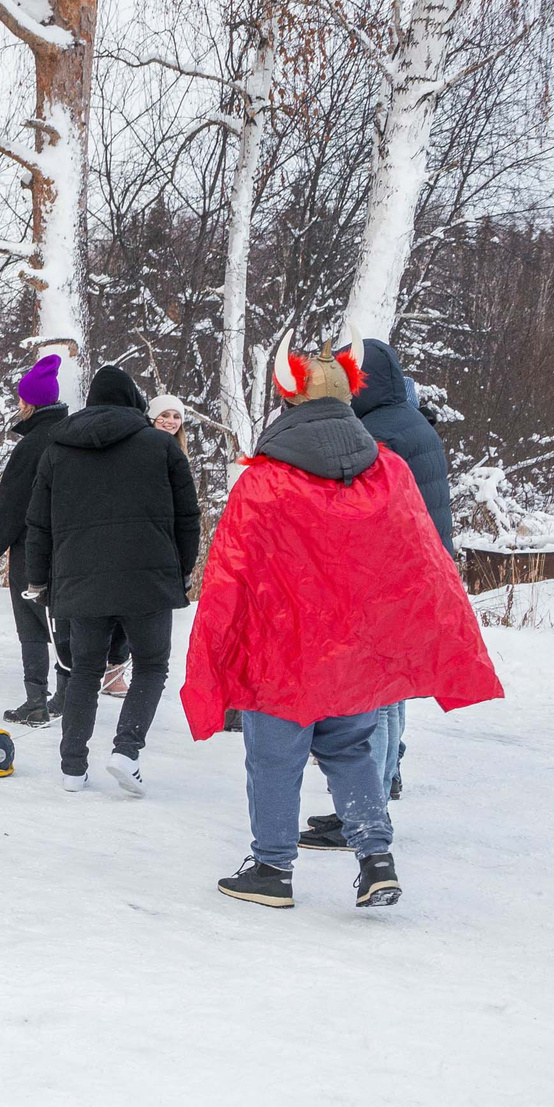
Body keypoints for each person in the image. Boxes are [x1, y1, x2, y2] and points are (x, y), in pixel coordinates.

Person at [183, 347, 500, 910]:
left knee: (275, 759)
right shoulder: (389, 472)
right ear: (347, 397)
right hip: (353, 651)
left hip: (281, 650)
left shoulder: (266, 482)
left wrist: (218, 651)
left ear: (288, 399)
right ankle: (376, 860)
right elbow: (418, 562)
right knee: (354, 749)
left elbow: (231, 573)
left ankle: (272, 870)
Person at [293, 334, 456, 842]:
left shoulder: (378, 433)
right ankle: (380, 790)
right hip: (417, 575)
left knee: (373, 698)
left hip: (388, 579)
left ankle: (364, 811)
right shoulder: (410, 422)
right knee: (390, 691)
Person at [24, 364, 200, 796]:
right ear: (134, 401)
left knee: (84, 669)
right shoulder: (161, 446)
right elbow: (188, 517)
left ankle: (71, 766)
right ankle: (126, 750)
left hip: (81, 577)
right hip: (148, 576)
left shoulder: (58, 448)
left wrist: (39, 579)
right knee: (152, 665)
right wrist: (179, 571)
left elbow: (39, 523)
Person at [0, 354, 67, 726]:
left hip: (32, 548)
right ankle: (64, 694)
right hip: (67, 546)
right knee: (62, 620)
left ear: (29, 404)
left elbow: (13, 506)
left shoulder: (30, 447)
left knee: (31, 624)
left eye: (21, 400)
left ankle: (36, 700)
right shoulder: (73, 435)